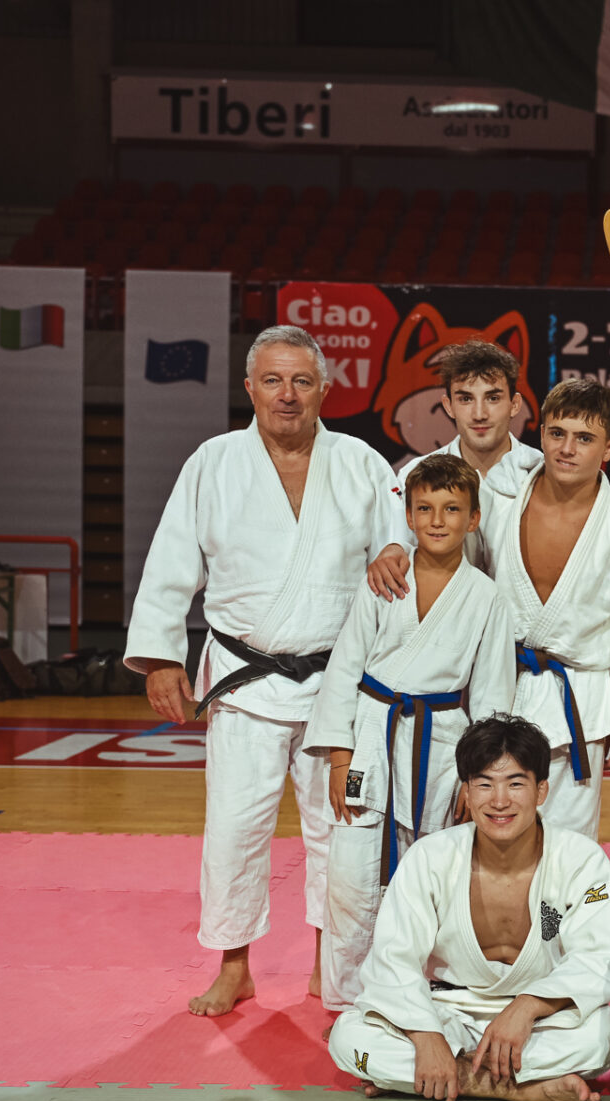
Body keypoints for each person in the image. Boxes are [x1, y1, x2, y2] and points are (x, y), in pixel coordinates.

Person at [125, 325, 412, 1017]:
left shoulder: (361, 463)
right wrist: (160, 656)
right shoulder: (214, 462)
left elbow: (401, 541)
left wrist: (394, 551)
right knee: (234, 830)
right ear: (250, 388)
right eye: (274, 381)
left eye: (302, 381)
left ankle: (328, 964)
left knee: (340, 834)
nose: (288, 395)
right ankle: (235, 968)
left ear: (325, 390)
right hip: (243, 680)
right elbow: (171, 563)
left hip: (337, 686)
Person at [306, 453, 519, 1010]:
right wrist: (339, 758)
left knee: (433, 875)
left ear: (473, 519)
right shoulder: (384, 583)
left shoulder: (487, 597)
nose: (437, 520)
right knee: (351, 873)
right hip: (372, 738)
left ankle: (419, 1000)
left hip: (443, 746)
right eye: (424, 509)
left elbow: (493, 696)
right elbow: (345, 669)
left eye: (452, 509)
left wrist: (479, 780)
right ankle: (349, 1004)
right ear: (408, 515)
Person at [326, 714, 610, 1101]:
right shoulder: (430, 857)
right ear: (466, 790)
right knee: (349, 1038)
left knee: (604, 1038)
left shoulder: (581, 860)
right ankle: (522, 1088)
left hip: (538, 1017)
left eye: (515, 783)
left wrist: (526, 1007)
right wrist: (427, 1036)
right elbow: (393, 958)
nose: (499, 801)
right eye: (484, 784)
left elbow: (596, 960)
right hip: (448, 1010)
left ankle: (436, 1077)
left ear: (542, 789)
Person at [475, 379, 610, 839]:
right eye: (557, 433)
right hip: (499, 687)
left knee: (568, 846)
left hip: (580, 700)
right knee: (492, 837)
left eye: (584, 438)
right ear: (541, 434)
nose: (567, 448)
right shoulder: (501, 499)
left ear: (609, 448)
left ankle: (560, 899)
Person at [394, 339, 544, 489]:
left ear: (515, 404)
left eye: (493, 398)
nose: (479, 415)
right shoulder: (413, 478)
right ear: (448, 406)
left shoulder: (543, 472)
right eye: (466, 399)